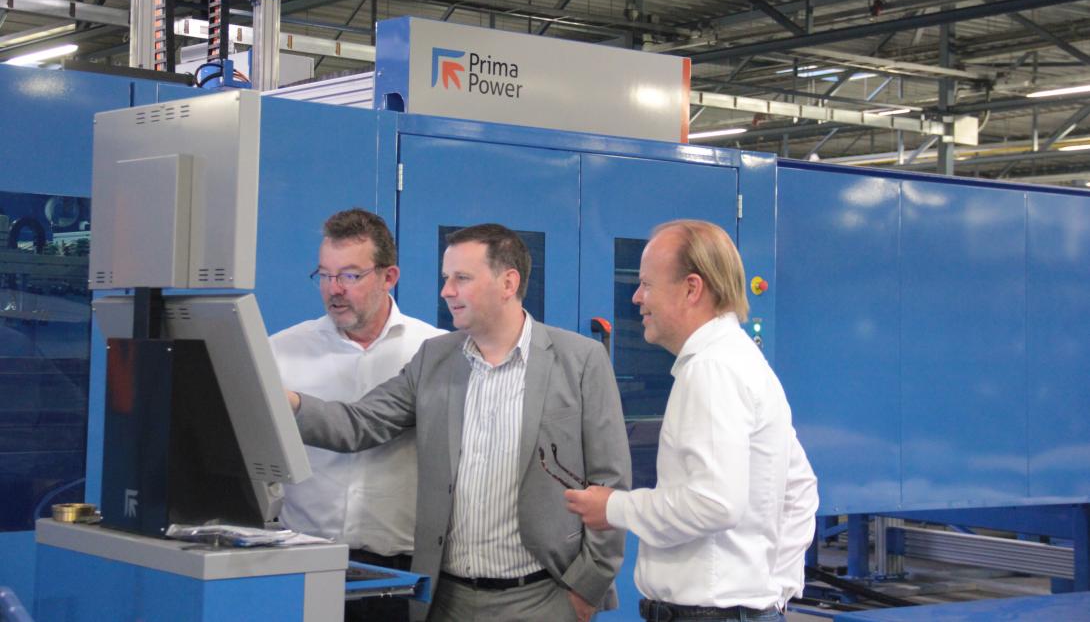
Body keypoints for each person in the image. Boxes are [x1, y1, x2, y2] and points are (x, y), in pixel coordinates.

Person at [287, 223, 631, 622]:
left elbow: (610, 482)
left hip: (542, 598)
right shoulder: (435, 358)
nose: (446, 291)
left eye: (461, 278)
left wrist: (588, 586)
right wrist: (287, 403)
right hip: (447, 600)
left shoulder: (580, 360)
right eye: (445, 278)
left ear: (508, 283)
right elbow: (360, 423)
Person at [565, 219, 819, 622]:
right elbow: (800, 488)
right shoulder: (739, 358)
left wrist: (614, 507)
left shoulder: (711, 369)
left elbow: (714, 503)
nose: (636, 298)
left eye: (647, 284)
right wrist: (771, 592)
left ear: (691, 289)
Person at [271, 208, 444, 622]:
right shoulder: (281, 352)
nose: (334, 289)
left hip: (397, 574)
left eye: (350, 275)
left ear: (389, 276)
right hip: (302, 563)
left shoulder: (433, 352)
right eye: (325, 275)